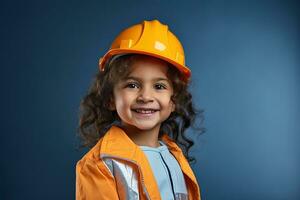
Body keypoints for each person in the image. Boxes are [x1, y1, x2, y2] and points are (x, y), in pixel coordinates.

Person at [76, 19, 204, 200]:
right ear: (110, 98)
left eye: (159, 86)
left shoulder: (173, 155)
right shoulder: (100, 164)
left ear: (174, 101)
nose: (145, 96)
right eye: (132, 85)